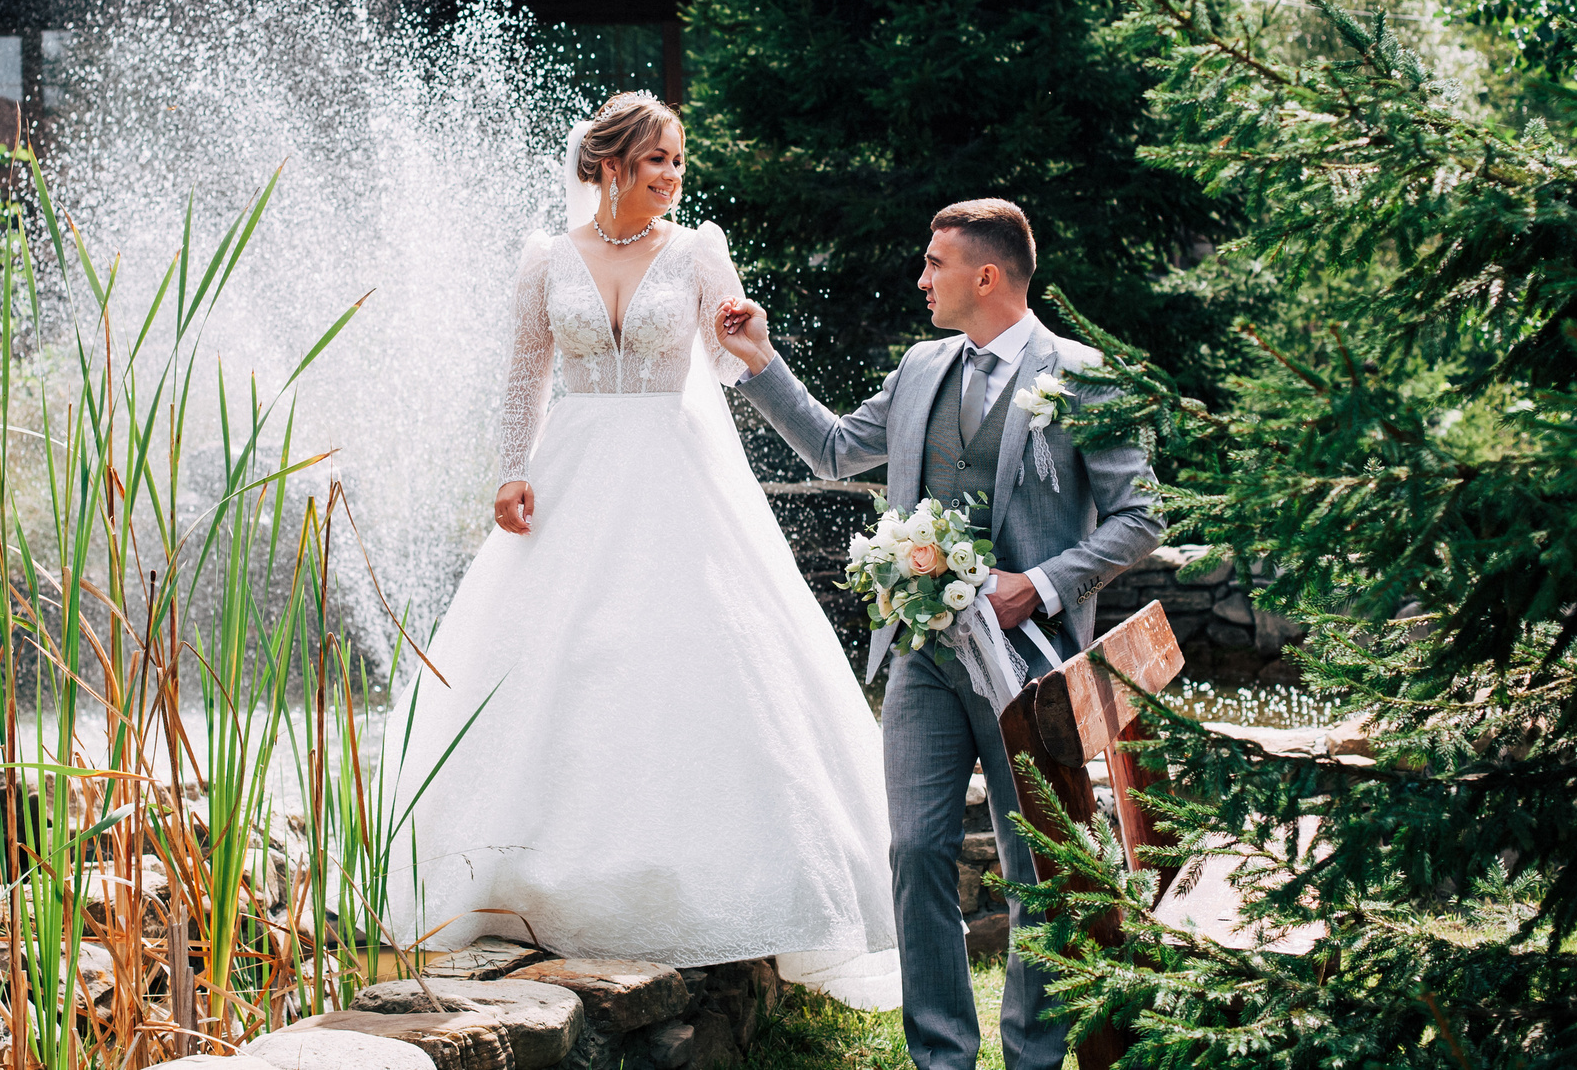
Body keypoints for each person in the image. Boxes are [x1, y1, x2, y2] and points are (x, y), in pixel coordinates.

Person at [391, 92, 900, 1007]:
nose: (672, 176)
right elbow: (525, 371)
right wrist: (510, 469)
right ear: (612, 165)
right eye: (657, 160)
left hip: (675, 471)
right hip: (573, 470)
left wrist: (750, 342)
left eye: (676, 161)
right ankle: (526, 873)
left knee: (689, 654)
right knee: (555, 655)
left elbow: (727, 350)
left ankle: (712, 880)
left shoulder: (700, 249)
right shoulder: (546, 257)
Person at [712, 200, 1162, 1070]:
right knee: (915, 848)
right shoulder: (920, 369)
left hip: (1032, 670)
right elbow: (838, 449)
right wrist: (760, 362)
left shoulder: (1084, 376)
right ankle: (942, 1058)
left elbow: (1141, 517)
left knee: (1037, 865)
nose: (921, 279)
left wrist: (1041, 583)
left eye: (934, 264)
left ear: (984, 276)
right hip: (923, 656)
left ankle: (1031, 1054)